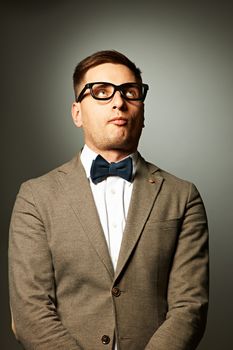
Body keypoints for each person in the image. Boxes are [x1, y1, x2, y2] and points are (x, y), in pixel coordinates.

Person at [8, 50, 209, 350]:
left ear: (142, 111)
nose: (119, 102)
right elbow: (30, 314)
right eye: (102, 92)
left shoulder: (183, 196)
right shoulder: (35, 197)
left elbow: (189, 308)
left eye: (130, 92)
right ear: (77, 113)